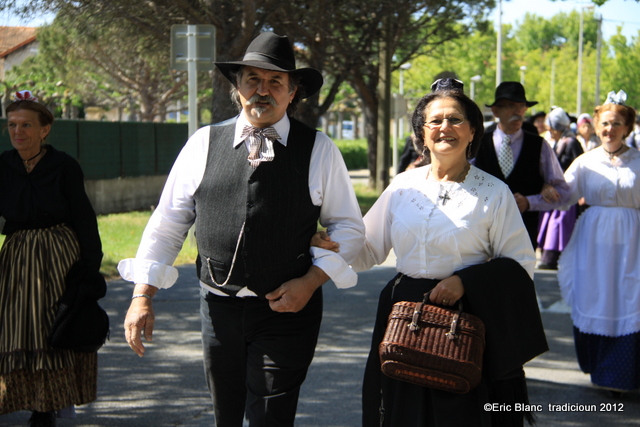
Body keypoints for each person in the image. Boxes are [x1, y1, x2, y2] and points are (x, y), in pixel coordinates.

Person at [118, 32, 365, 426]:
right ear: (237, 86)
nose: (262, 91)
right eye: (253, 79)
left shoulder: (319, 149)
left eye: (275, 82)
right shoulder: (203, 143)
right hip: (219, 308)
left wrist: (311, 281)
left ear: (292, 92)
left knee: (270, 416)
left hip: (288, 310)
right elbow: (168, 222)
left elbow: (348, 227)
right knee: (226, 415)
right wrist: (141, 295)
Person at [314, 79, 547, 426]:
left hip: (465, 319)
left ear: (472, 131)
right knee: (403, 412)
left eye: (455, 119)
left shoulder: (494, 192)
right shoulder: (402, 186)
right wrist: (332, 245)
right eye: (435, 121)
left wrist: (466, 282)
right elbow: (368, 248)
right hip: (402, 316)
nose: (444, 127)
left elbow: (521, 264)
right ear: (422, 134)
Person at [0, 90, 103, 427]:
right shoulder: (3, 166)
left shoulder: (63, 166)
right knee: (17, 328)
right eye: (12, 125)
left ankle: (45, 408)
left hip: (58, 256)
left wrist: (90, 268)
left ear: (44, 130)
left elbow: (84, 218)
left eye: (26, 125)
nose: (17, 131)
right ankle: (17, 398)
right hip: (16, 256)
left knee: (51, 328)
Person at [555, 90, 640, 396]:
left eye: (616, 123)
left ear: (627, 128)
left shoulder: (638, 162)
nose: (609, 129)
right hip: (593, 242)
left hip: (633, 241)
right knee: (595, 295)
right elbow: (564, 195)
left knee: (631, 297)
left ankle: (626, 374)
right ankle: (600, 367)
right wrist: (538, 197)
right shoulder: (585, 162)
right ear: (596, 125)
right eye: (605, 123)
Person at [473, 81, 570, 248]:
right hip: (483, 235)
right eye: (511, 106)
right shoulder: (477, 145)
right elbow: (462, 186)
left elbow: (563, 193)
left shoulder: (539, 146)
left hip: (524, 238)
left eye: (521, 106)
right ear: (495, 111)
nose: (517, 112)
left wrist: (530, 202)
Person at [536, 107, 584, 270]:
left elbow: (579, 168)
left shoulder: (571, 142)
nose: (550, 130)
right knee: (551, 223)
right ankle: (548, 256)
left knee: (560, 224)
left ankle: (554, 258)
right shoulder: (557, 142)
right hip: (553, 192)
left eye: (551, 127)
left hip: (567, 193)